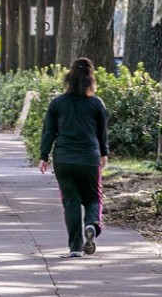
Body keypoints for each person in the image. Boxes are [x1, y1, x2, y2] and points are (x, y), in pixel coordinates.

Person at [38, 57, 109, 258]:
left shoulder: (57, 103)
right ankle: (92, 226)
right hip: (89, 158)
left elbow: (49, 132)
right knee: (93, 198)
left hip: (63, 159)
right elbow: (102, 132)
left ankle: (75, 248)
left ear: (68, 79)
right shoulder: (96, 104)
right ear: (90, 80)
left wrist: (43, 156)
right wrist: (104, 154)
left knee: (70, 202)